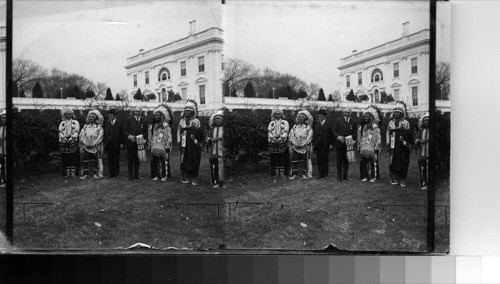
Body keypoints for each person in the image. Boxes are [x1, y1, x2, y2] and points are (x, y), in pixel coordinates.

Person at [177, 100, 204, 185]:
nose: (187, 112)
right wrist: (178, 141)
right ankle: (185, 176)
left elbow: (199, 133)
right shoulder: (181, 122)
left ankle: (193, 177)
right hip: (184, 143)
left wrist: (196, 140)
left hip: (193, 144)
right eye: (186, 111)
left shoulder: (196, 121)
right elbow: (178, 131)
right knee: (184, 159)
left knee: (194, 159)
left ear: (192, 112)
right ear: (184, 112)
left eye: (189, 111)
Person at [386, 101, 412, 187]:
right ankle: (394, 178)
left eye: (398, 113)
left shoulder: (405, 123)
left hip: (402, 145)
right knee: (393, 161)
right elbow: (388, 133)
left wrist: (405, 140)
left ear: (402, 114)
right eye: (395, 113)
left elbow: (409, 134)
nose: (396, 114)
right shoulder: (390, 123)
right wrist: (388, 142)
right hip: (393, 145)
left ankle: (402, 179)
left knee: (402, 161)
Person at [357, 105, 382, 183]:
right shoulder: (361, 127)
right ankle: (365, 176)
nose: (366, 118)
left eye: (367, 116)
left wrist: (377, 146)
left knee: (373, 162)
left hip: (372, 147)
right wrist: (359, 146)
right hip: (364, 147)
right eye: (365, 116)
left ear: (371, 117)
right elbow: (359, 137)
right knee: (364, 162)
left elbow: (378, 138)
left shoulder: (375, 127)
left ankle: (373, 177)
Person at [149, 105, 173, 181]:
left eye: (158, 115)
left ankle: (164, 175)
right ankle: (156, 175)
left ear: (162, 116)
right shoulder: (152, 126)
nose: (156, 117)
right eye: (155, 115)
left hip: (163, 146)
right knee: (155, 161)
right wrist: (150, 144)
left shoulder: (165, 126)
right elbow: (150, 136)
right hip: (154, 146)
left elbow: (169, 136)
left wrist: (168, 144)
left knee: (164, 161)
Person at [332, 108, 358, 182]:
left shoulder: (354, 121)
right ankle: (339, 176)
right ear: (343, 113)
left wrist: (351, 137)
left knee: (346, 160)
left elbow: (355, 133)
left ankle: (345, 175)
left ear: (351, 113)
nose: (346, 113)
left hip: (349, 144)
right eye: (345, 112)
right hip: (340, 143)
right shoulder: (338, 120)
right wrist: (338, 137)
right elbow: (334, 130)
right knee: (339, 160)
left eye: (348, 112)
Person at [123, 108, 148, 181]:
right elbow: (125, 130)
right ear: (134, 112)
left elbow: (146, 132)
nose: (137, 113)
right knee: (130, 160)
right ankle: (130, 176)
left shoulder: (144, 121)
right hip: (130, 142)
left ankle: (136, 175)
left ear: (141, 112)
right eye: (136, 111)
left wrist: (142, 136)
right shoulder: (129, 119)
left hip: (139, 143)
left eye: (139, 111)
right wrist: (130, 136)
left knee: (137, 160)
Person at [288, 110, 314, 179]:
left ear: (305, 118)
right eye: (299, 117)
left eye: (302, 117)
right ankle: (294, 174)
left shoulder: (308, 127)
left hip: (304, 147)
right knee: (294, 160)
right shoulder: (294, 127)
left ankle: (305, 174)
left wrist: (304, 143)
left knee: (304, 161)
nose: (301, 119)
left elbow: (310, 137)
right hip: (295, 147)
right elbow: (291, 136)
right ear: (297, 119)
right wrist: (294, 143)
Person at [79, 110, 104, 179]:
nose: (91, 118)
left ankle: (95, 174)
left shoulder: (99, 127)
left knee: (95, 160)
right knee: (85, 160)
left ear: (96, 118)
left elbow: (100, 136)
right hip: (86, 146)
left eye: (93, 117)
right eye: (90, 117)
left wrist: (95, 143)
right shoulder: (85, 126)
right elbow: (81, 135)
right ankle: (85, 174)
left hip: (95, 147)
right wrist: (85, 143)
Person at [206, 109, 226, 188]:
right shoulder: (211, 129)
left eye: (219, 118)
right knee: (214, 166)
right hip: (214, 151)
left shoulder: (225, 129)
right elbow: (206, 138)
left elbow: (228, 139)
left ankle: (222, 182)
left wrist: (223, 139)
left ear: (222, 120)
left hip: (222, 151)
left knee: (221, 167)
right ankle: (215, 182)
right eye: (216, 118)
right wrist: (211, 139)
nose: (217, 120)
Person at [58, 107, 80, 177]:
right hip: (64, 142)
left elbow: (76, 131)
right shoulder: (62, 123)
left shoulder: (75, 122)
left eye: (69, 114)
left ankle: (73, 173)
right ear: (64, 115)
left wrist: (70, 139)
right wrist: (64, 139)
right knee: (65, 157)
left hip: (73, 142)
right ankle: (66, 173)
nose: (68, 115)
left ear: (72, 114)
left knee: (73, 157)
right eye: (66, 114)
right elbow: (60, 132)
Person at [268, 108, 289, 177]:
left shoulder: (285, 122)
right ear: (274, 115)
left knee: (282, 157)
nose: (277, 115)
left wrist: (280, 140)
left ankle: (282, 173)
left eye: (279, 114)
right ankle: (276, 173)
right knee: (275, 157)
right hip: (273, 142)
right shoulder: (271, 123)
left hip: (282, 142)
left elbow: (286, 132)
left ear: (281, 115)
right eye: (276, 114)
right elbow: (269, 132)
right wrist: (274, 139)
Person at [313, 109, 333, 179]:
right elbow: (315, 134)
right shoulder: (317, 124)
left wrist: (331, 143)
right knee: (319, 159)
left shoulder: (329, 124)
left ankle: (325, 174)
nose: (319, 118)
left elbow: (331, 135)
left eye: (321, 116)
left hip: (326, 144)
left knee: (325, 159)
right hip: (318, 144)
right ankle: (320, 174)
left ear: (324, 116)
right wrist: (314, 143)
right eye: (318, 116)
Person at [103, 108, 123, 179]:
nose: (110, 117)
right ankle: (110, 173)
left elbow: (121, 134)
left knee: (116, 159)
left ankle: (116, 173)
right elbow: (105, 133)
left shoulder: (119, 123)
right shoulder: (107, 123)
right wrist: (105, 143)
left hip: (116, 143)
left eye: (111, 116)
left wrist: (121, 143)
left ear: (115, 116)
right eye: (109, 116)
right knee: (110, 159)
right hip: (109, 143)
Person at [414, 113, 429, 189]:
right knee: (423, 168)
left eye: (428, 120)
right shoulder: (420, 131)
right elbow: (415, 139)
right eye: (425, 120)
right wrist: (420, 141)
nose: (426, 122)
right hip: (422, 152)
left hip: (429, 152)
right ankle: (424, 183)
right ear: (423, 122)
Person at [0, 110, 6, 187]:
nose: (3, 119)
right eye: (2, 118)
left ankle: (4, 181)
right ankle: (2, 181)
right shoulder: (1, 129)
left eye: (4, 118)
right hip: (1, 150)